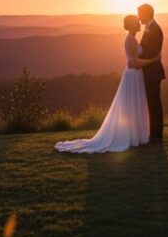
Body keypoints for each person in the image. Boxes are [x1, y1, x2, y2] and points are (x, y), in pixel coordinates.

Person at [54, 15, 160, 153]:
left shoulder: (132, 39)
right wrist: (154, 60)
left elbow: (134, 60)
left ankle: (136, 135)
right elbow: (135, 62)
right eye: (136, 22)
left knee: (134, 104)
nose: (139, 23)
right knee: (131, 104)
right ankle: (132, 136)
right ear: (132, 25)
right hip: (133, 75)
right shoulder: (131, 40)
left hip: (135, 75)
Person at [137, 3, 165, 143]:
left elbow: (152, 52)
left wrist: (136, 60)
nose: (138, 17)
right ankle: (153, 131)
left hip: (153, 73)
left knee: (154, 102)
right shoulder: (149, 28)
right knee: (151, 102)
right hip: (149, 71)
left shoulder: (155, 29)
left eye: (140, 14)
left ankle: (157, 134)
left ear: (147, 13)